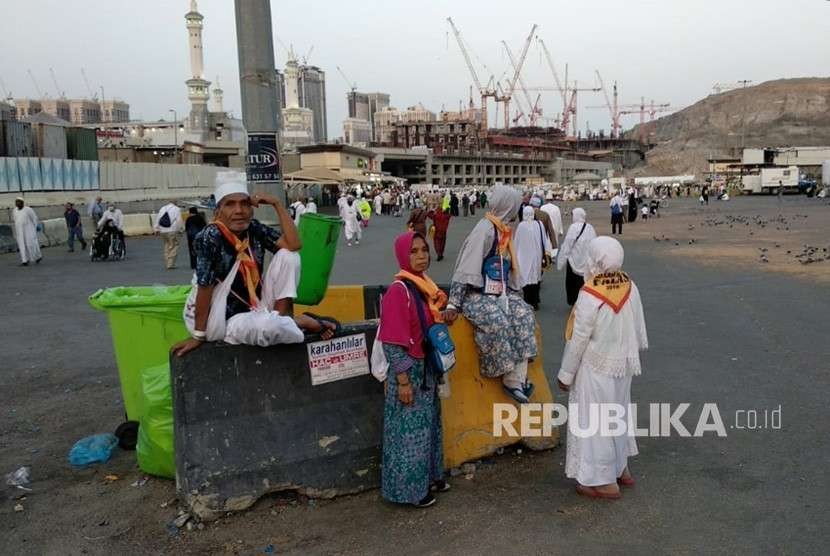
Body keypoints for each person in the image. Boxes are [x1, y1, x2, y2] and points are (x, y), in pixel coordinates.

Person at [172, 173, 338, 357]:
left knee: (289, 256)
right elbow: (205, 287)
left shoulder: (252, 228)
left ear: (251, 208)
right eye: (230, 204)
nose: (239, 210)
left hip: (254, 306)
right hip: (222, 318)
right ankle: (300, 322)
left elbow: (294, 245)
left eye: (244, 203)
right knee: (267, 328)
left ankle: (281, 319)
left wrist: (277, 204)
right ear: (218, 211)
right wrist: (198, 336)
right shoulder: (210, 237)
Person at [557, 236, 648, 500]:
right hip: (623, 365)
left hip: (595, 367)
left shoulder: (590, 292)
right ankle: (621, 469)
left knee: (595, 424)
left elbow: (578, 340)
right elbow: (638, 324)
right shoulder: (629, 284)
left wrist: (566, 373)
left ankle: (603, 481)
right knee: (618, 415)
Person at [446, 185, 537, 404]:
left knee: (523, 314)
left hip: (497, 291)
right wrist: (452, 305)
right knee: (498, 321)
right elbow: (466, 269)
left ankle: (516, 380)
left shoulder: (503, 230)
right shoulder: (484, 230)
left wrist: (514, 294)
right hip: (475, 294)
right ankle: (502, 372)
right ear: (508, 206)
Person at [379, 231, 449, 508]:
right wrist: (404, 381)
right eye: (414, 251)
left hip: (426, 370)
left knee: (428, 428)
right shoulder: (399, 291)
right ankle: (409, 492)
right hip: (408, 372)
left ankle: (429, 478)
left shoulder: (423, 287)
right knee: (408, 436)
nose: (421, 256)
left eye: (424, 250)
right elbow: (392, 342)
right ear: (402, 256)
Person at [557, 208, 597, 306]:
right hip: (586, 260)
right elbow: (595, 244)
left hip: (573, 260)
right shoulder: (590, 227)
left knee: (572, 283)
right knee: (585, 282)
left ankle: (574, 302)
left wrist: (560, 262)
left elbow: (567, 245)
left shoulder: (573, 227)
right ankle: (585, 302)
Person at [515, 206, 552, 310]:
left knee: (525, 278)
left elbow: (516, 243)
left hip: (523, 257)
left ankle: (527, 301)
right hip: (537, 257)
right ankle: (535, 302)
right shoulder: (539, 224)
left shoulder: (521, 226)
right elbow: (545, 239)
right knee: (536, 279)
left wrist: (514, 257)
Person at [154, 200, 183, 269]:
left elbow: (158, 219)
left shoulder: (162, 208)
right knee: (174, 246)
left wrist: (156, 229)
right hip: (172, 230)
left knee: (166, 245)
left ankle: (167, 261)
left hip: (163, 230)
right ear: (175, 203)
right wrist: (181, 229)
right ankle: (170, 264)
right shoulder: (177, 209)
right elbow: (179, 220)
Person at [13, 197, 42, 266]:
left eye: (19, 202)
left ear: (22, 203)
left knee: (31, 244)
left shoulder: (28, 209)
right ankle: (24, 261)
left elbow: (34, 218)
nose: (17, 203)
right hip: (19, 231)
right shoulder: (14, 210)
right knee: (22, 245)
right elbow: (15, 219)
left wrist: (36, 226)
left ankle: (38, 256)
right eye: (16, 202)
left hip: (29, 230)